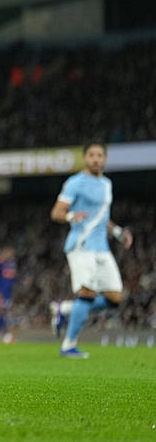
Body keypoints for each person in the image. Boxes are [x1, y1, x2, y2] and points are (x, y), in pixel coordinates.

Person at [48, 141, 133, 359]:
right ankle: (68, 345)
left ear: (105, 159)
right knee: (87, 293)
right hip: (81, 245)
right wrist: (70, 215)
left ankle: (64, 309)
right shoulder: (75, 183)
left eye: (99, 155)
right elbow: (56, 212)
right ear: (85, 158)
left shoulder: (106, 184)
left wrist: (118, 232)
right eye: (91, 155)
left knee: (115, 297)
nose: (95, 159)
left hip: (102, 248)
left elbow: (102, 217)